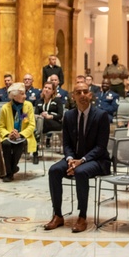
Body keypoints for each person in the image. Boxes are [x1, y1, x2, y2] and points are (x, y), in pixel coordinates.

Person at [45, 82, 110, 234]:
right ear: (73, 96)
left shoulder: (101, 116)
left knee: (81, 172)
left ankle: (82, 217)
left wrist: (82, 161)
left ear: (90, 95)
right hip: (74, 159)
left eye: (85, 92)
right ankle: (57, 215)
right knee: (54, 170)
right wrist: (69, 159)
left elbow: (101, 147)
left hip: (97, 160)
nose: (82, 95)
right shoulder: (68, 116)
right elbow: (66, 144)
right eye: (78, 92)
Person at [0, 83, 37, 182]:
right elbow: (1, 126)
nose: (25, 96)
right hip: (9, 136)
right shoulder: (5, 108)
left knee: (19, 144)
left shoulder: (28, 105)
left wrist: (20, 134)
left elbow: (31, 125)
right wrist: (8, 134)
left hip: (24, 135)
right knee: (6, 144)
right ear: (14, 96)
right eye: (22, 94)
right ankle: (11, 170)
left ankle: (10, 171)